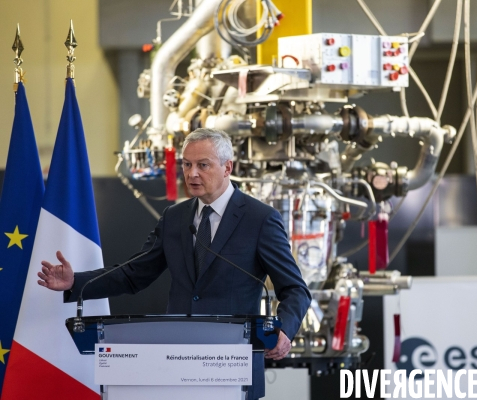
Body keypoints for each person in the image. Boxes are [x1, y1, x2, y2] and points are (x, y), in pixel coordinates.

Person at [37, 128, 311, 399]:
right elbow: (135, 273)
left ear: (228, 167)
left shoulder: (260, 219)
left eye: (203, 165)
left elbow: (295, 289)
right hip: (176, 366)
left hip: (232, 367)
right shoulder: (175, 217)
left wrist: (285, 329)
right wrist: (77, 282)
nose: (192, 173)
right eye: (187, 164)